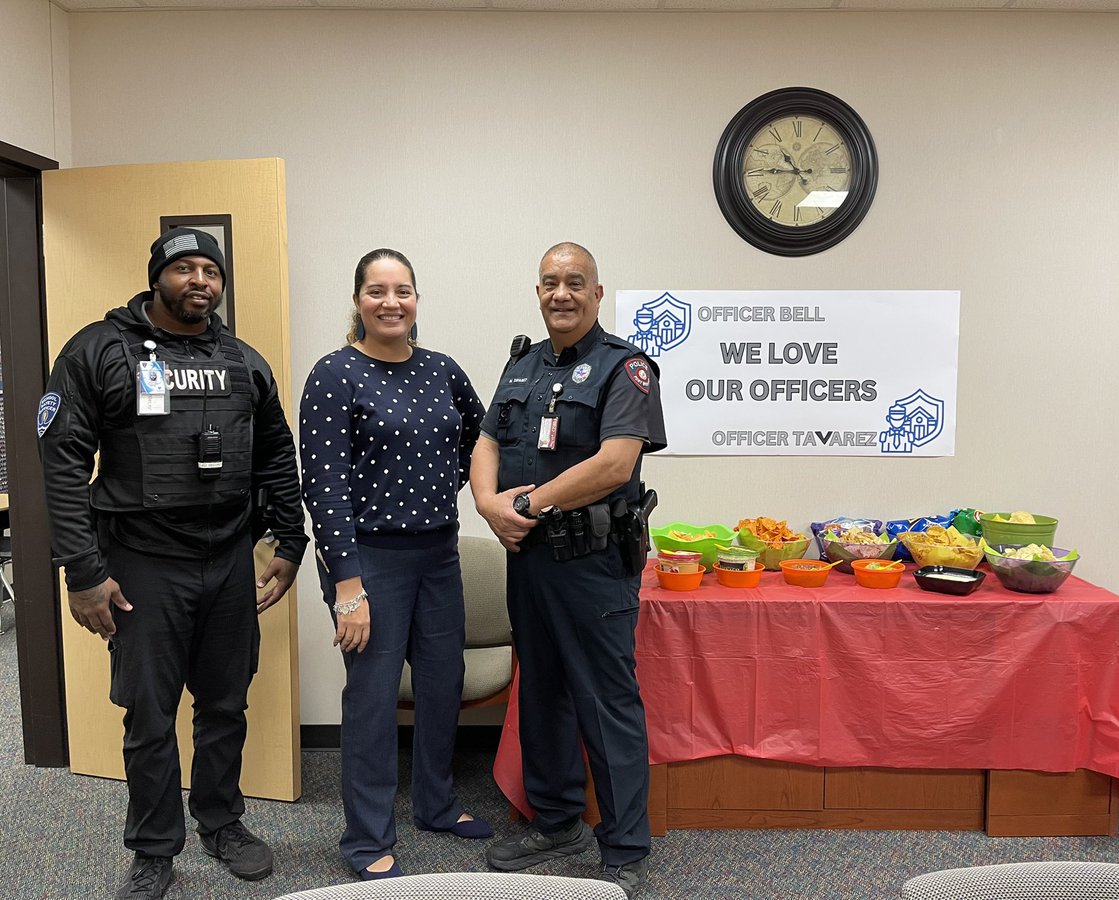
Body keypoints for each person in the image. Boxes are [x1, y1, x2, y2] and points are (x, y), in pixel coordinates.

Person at [38, 227, 308, 900]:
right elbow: (64, 465)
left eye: (210, 271)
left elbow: (277, 453)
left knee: (226, 703)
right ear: (157, 275)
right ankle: (155, 848)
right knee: (149, 715)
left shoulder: (243, 360)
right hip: (141, 564)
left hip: (227, 560)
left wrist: (288, 540)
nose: (200, 281)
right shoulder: (97, 350)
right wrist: (83, 572)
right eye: (184, 268)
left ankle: (221, 822)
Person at [471, 242, 667, 897]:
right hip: (529, 560)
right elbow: (488, 441)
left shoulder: (625, 369)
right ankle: (556, 822)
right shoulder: (521, 364)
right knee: (543, 693)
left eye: (575, 283)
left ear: (597, 293)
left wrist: (524, 502)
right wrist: (486, 504)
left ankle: (624, 847)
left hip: (593, 563)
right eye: (550, 283)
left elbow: (615, 464)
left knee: (606, 703)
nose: (561, 293)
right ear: (538, 291)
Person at [300, 248, 492, 882]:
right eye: (377, 291)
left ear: (417, 299)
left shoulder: (441, 370)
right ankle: (366, 838)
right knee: (375, 700)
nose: (391, 302)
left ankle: (436, 805)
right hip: (369, 562)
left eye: (403, 290)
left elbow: (481, 440)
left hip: (439, 553)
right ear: (357, 301)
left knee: (441, 687)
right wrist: (347, 586)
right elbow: (323, 486)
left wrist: (481, 494)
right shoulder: (334, 374)